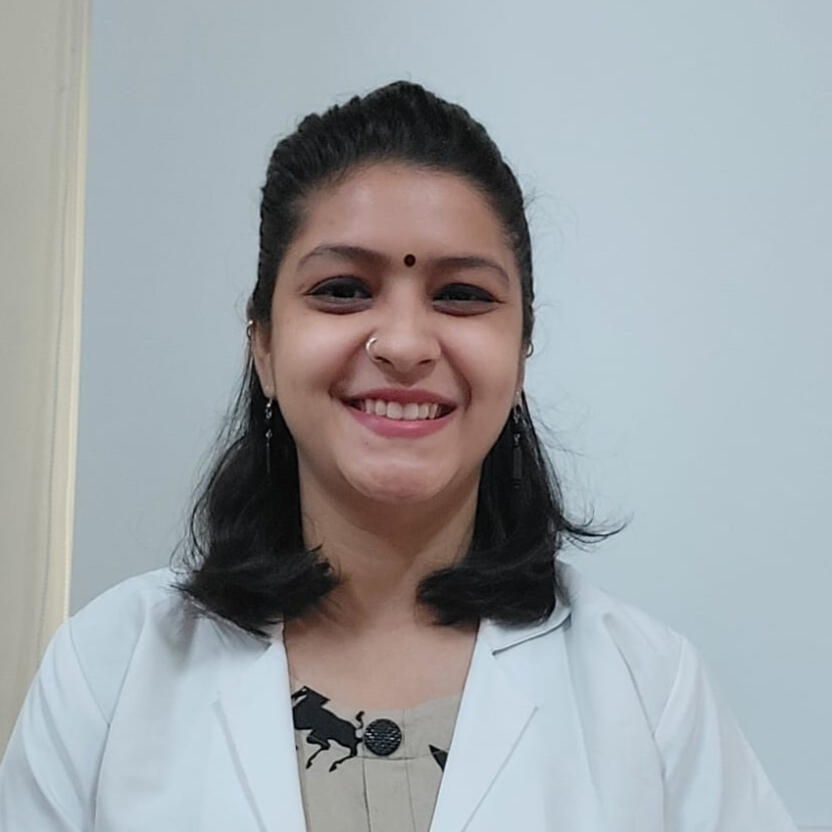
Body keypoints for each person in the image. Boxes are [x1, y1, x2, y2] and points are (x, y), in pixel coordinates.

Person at [0, 81, 797, 831]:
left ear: (521, 353)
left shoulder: (651, 696)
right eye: (344, 289)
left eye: (462, 296)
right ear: (264, 344)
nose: (406, 344)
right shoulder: (107, 673)